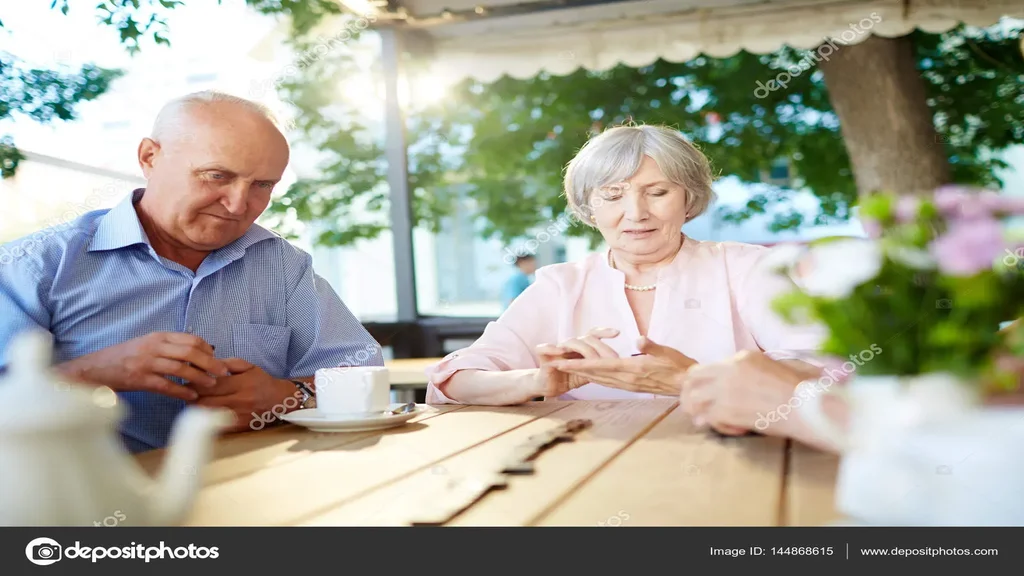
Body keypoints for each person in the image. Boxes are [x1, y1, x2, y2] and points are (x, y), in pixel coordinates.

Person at [0, 90, 383, 452]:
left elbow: (364, 377)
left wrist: (286, 398)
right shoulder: (34, 266)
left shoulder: (285, 266)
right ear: (150, 157)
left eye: (262, 185)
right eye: (217, 175)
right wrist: (92, 373)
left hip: (261, 500)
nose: (238, 205)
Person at [423, 123, 826, 406]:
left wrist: (692, 381)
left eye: (657, 192)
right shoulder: (560, 285)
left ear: (689, 199)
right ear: (589, 207)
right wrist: (537, 381)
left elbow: (822, 367)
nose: (636, 213)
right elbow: (453, 380)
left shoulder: (747, 269)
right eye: (612, 195)